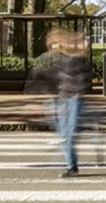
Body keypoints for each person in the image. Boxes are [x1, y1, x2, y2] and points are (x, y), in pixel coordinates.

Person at [43, 28, 93, 178]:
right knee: (64, 135)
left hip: (75, 99)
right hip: (63, 99)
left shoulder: (76, 56)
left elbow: (81, 73)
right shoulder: (59, 59)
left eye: (55, 43)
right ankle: (71, 165)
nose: (54, 47)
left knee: (69, 134)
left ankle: (72, 166)